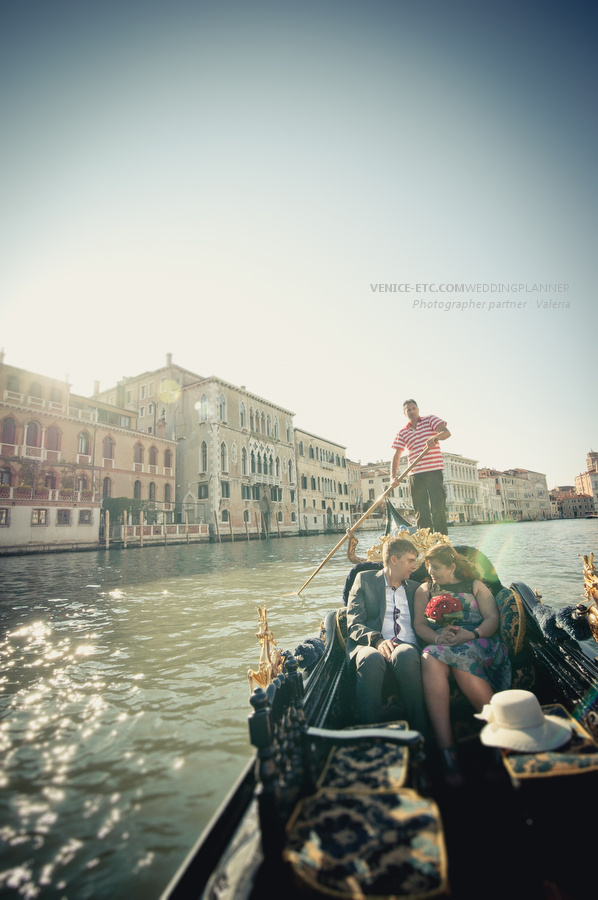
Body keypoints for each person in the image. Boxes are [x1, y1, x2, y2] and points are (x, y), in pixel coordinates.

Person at [413, 543, 511, 785]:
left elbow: (492, 619)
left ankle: (502, 740)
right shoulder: (425, 589)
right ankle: (448, 751)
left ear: (452, 567)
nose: (430, 571)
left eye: (435, 567)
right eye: (427, 565)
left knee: (460, 657)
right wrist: (437, 638)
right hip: (443, 641)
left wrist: (472, 634)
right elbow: (419, 625)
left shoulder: (475, 586)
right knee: (428, 656)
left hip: (478, 639)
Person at [346, 536, 428, 737]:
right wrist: (377, 640)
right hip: (370, 643)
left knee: (406, 654)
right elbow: (353, 623)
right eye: (410, 560)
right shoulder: (364, 580)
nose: (414, 566)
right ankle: (370, 736)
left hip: (406, 644)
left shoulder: (417, 588)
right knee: (370, 658)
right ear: (394, 560)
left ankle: (421, 733)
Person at [390, 400, 450, 535]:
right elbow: (396, 456)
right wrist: (393, 477)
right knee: (421, 512)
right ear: (404, 413)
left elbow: (446, 433)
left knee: (438, 509)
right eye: (408, 410)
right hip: (415, 474)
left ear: (418, 409)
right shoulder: (402, 432)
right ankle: (426, 543)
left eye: (413, 408)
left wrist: (434, 438)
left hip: (434, 472)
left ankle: (442, 544)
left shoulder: (430, 420)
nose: (412, 411)